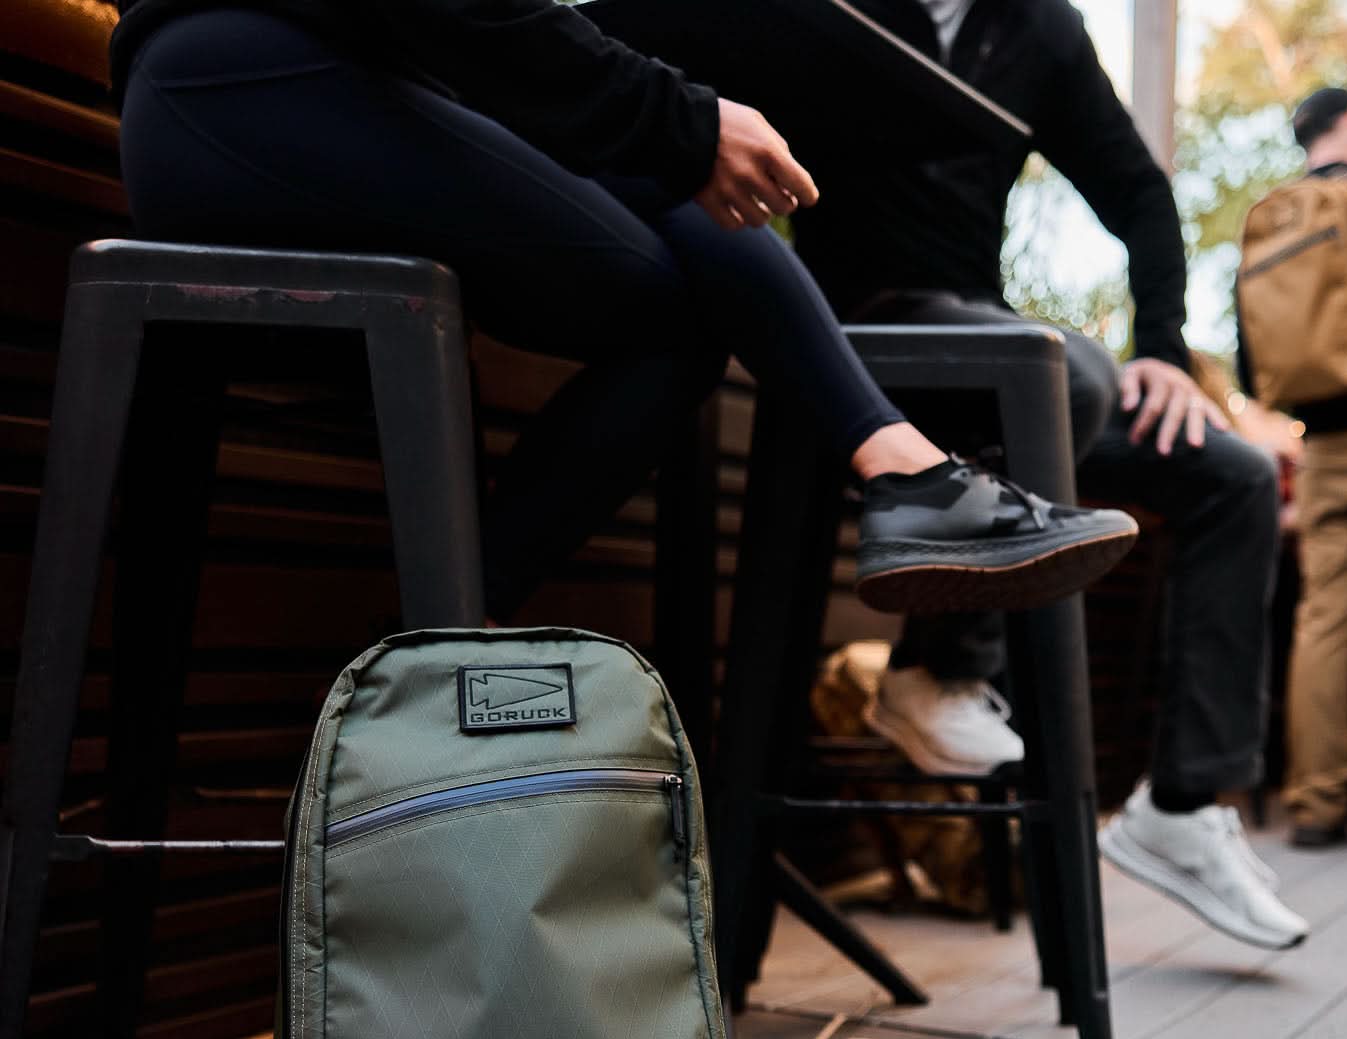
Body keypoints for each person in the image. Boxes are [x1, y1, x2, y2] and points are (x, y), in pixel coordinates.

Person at [108, 1, 1137, 633]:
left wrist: (668, 126)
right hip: (247, 81)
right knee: (676, 263)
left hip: (326, 90)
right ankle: (445, 630)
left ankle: (905, 471)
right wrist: (681, 120)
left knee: (676, 250)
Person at [795, 0, 1309, 950]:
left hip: (984, 342)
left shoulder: (1036, 27)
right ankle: (936, 672)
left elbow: (1142, 197)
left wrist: (1161, 345)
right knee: (1058, 373)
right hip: (839, 337)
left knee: (1230, 476)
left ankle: (1185, 804)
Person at [1253, 89, 1347, 847]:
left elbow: (1254, 368)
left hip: (1325, 453)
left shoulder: (1271, 219)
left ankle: (1315, 806)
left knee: (1324, 628)